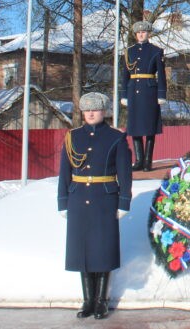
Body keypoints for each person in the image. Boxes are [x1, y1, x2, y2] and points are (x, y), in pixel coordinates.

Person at [58, 92, 132, 320]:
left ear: (104, 111)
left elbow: (124, 173)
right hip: (78, 198)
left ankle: (101, 300)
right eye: (87, 110)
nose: (90, 114)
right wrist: (62, 201)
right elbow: (65, 171)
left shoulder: (115, 137)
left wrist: (124, 201)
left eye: (95, 110)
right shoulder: (72, 137)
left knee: (102, 249)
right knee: (82, 249)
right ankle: (87, 300)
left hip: (104, 198)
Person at [119, 20, 166, 171]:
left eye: (143, 32)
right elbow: (125, 75)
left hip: (149, 92)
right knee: (134, 126)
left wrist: (161, 94)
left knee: (150, 127)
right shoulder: (129, 52)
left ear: (148, 34)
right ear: (135, 35)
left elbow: (162, 75)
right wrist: (124, 94)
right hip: (133, 91)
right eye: (138, 33)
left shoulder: (156, 51)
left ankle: (147, 161)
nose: (141, 35)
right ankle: (139, 160)